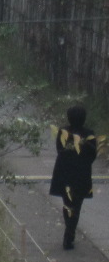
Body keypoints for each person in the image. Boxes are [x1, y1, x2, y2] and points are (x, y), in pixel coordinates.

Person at [50, 105, 99, 251]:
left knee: (67, 203)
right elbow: (93, 155)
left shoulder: (63, 132)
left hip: (64, 173)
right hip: (81, 175)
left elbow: (59, 150)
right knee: (77, 205)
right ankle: (70, 233)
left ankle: (69, 231)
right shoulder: (89, 134)